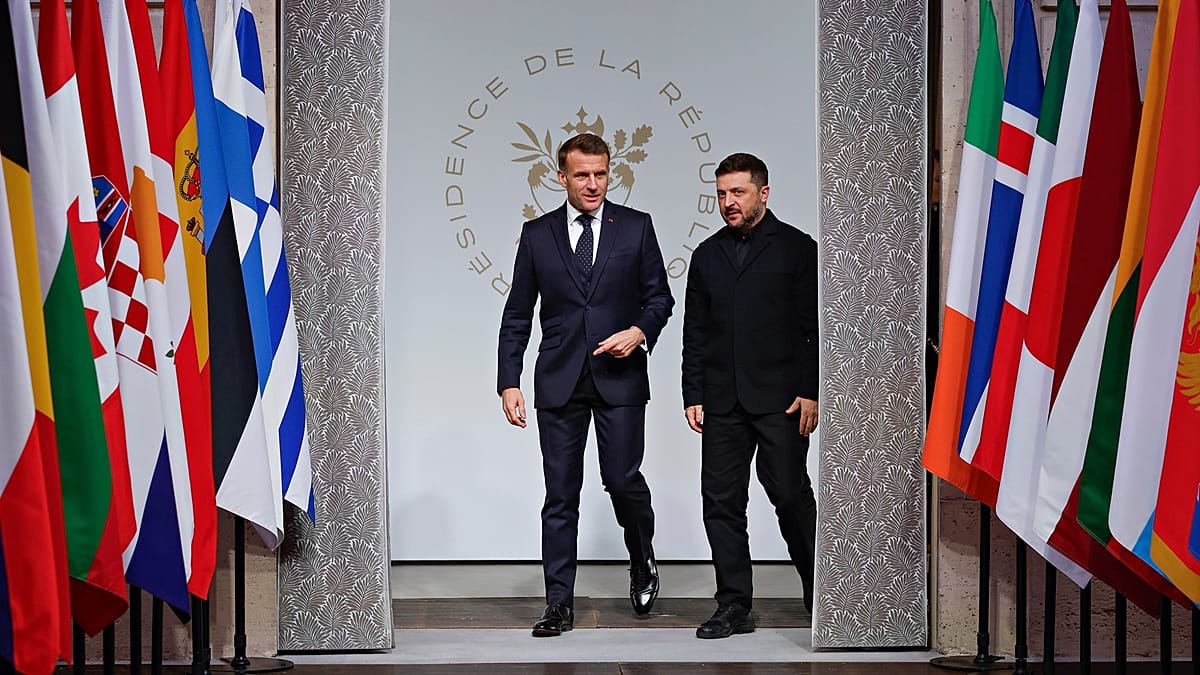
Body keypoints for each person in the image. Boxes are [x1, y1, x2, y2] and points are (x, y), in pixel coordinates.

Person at [497, 133, 675, 637]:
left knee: (622, 480)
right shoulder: (537, 235)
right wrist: (508, 382)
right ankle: (558, 604)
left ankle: (641, 557)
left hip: (621, 377)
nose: (594, 184)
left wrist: (639, 332)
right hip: (559, 379)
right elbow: (517, 314)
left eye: (601, 174)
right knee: (560, 495)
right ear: (562, 177)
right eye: (582, 175)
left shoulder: (636, 227)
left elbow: (660, 299)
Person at [681, 152, 818, 639]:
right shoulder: (707, 255)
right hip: (722, 400)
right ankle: (734, 605)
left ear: (764, 192)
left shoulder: (798, 248)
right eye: (721, 194)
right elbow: (695, 331)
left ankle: (822, 592)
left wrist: (810, 391)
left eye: (737, 192)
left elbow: (812, 328)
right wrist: (693, 392)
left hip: (782, 399)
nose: (728, 202)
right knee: (720, 502)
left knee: (790, 494)